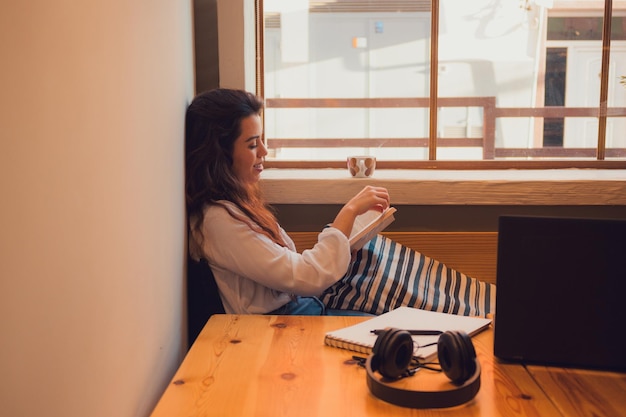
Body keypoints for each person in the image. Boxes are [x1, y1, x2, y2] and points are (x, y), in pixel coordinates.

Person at [185, 88, 389, 315]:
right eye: (253, 144)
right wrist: (349, 212)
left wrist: (344, 248)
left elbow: (290, 269)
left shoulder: (236, 204)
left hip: (299, 308)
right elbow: (306, 276)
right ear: (220, 154)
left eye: (261, 140)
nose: (264, 151)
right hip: (276, 326)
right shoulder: (219, 221)